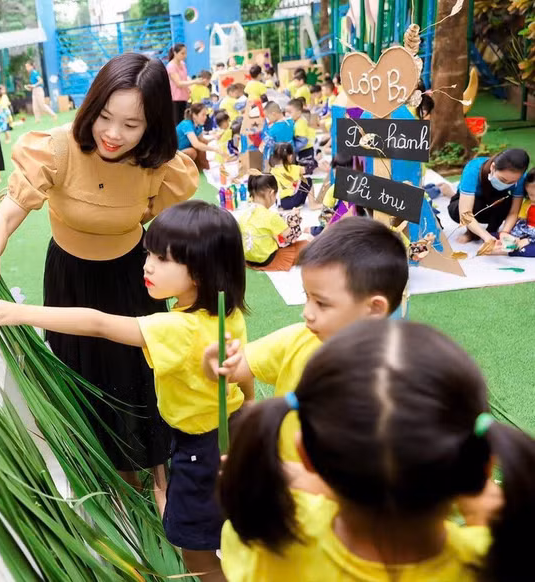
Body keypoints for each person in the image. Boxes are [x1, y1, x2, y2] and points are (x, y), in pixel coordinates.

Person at [0, 53, 199, 499]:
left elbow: (174, 238)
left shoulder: (159, 165)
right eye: (105, 116)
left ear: (153, 124)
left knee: (140, 371)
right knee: (81, 370)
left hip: (132, 277)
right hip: (69, 275)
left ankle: (157, 471)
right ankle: (104, 471)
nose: (112, 134)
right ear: (92, 105)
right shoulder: (57, 148)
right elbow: (6, 216)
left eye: (131, 124)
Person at [0, 201, 250, 581]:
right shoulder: (227, 311)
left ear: (202, 271)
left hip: (201, 445)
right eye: (148, 253)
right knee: (230, 522)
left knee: (195, 549)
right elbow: (244, 374)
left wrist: (21, 313)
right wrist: (251, 406)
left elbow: (99, 324)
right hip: (233, 425)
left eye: (163, 258)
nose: (148, 265)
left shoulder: (178, 329)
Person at [219, 319, 531, 582]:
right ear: (484, 465)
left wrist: (300, 483)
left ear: (305, 454)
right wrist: (479, 509)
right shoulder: (491, 560)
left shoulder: (272, 539)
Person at [203, 217, 408, 464]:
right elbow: (236, 368)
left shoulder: (389, 379)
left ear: (374, 309)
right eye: (306, 296)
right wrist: (216, 362)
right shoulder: (300, 337)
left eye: (321, 302)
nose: (307, 312)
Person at [448, 149, 529, 252]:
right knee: (472, 205)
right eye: (502, 179)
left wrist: (504, 233)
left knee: (506, 201)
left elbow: (513, 212)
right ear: (493, 167)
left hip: (496, 203)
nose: (506, 183)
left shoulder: (521, 178)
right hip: (471, 205)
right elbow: (465, 213)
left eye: (512, 182)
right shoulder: (473, 169)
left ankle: (492, 231)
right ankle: (471, 232)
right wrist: (486, 237)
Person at [241, 174, 306, 271]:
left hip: (247, 258)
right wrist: (295, 219)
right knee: (307, 245)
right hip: (265, 259)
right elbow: (290, 237)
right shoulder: (271, 216)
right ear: (271, 193)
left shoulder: (244, 214)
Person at [177, 103, 218, 171]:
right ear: (194, 115)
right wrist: (215, 150)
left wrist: (215, 137)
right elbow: (196, 144)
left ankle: (201, 166)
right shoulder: (187, 124)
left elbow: (203, 140)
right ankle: (183, 169)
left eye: (206, 115)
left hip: (184, 149)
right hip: (175, 152)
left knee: (202, 143)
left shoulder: (198, 125)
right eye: (203, 115)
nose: (205, 117)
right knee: (192, 152)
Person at [270, 143, 311, 211]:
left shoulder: (273, 170)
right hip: (293, 200)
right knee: (308, 180)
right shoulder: (293, 168)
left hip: (280, 202)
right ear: (290, 156)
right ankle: (313, 204)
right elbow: (307, 169)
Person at [167, 43, 201, 123]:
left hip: (184, 97)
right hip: (175, 98)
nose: (185, 55)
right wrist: (195, 81)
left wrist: (189, 87)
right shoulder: (171, 66)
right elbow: (178, 83)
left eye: (185, 53)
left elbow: (185, 77)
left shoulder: (183, 64)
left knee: (184, 120)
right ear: (175, 53)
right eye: (182, 53)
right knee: (177, 122)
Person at [286, 98, 317, 174]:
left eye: (290, 112)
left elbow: (303, 141)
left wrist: (292, 149)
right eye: (286, 112)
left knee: (305, 168)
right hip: (303, 149)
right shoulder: (297, 121)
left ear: (299, 113)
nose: (287, 114)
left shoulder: (300, 124)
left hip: (305, 149)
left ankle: (311, 166)